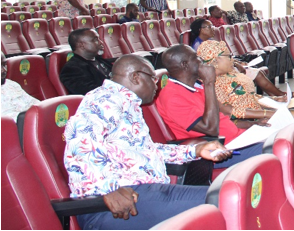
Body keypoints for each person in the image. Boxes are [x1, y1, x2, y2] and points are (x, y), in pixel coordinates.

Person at [63, 55, 234, 230]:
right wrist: (108, 190)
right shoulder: (105, 100)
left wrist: (195, 150)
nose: (156, 85)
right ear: (135, 77)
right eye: (153, 79)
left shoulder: (128, 104)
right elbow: (80, 143)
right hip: (115, 205)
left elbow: (147, 150)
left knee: (229, 196)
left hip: (144, 191)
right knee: (228, 200)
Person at [156, 45, 270, 161]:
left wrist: (251, 125)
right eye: (196, 57)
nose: (202, 60)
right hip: (220, 150)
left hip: (238, 138)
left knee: (283, 136)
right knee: (277, 147)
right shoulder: (173, 97)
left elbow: (221, 119)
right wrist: (209, 82)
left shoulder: (196, 85)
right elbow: (211, 129)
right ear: (185, 65)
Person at [196, 40, 286, 119]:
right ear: (215, 61)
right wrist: (267, 114)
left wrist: (273, 100)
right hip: (247, 123)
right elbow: (228, 112)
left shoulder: (230, 73)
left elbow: (248, 97)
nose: (232, 60)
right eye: (229, 56)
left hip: (259, 114)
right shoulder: (211, 85)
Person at [60, 28, 115, 95]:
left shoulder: (99, 60)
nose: (101, 42)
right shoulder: (72, 69)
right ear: (82, 45)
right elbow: (91, 92)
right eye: (95, 40)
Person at [1, 54, 38, 120]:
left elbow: (35, 104)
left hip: (30, 121)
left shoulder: (12, 84)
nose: (4, 70)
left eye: (4, 65)